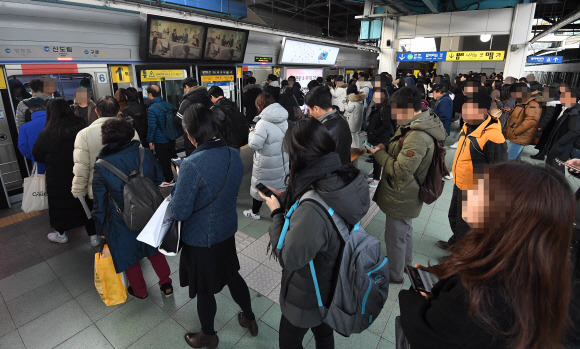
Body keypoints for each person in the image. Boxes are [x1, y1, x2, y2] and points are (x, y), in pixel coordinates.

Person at [400, 162, 573, 349]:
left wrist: (419, 295)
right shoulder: (541, 276)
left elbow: (426, 334)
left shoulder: (477, 298)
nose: (470, 193)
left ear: (509, 215)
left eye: (484, 192)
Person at [261, 117, 370, 349]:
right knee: (323, 333)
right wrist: (286, 198)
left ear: (299, 157)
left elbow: (289, 258)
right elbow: (322, 209)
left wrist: (276, 214)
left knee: (289, 343)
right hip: (334, 279)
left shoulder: (312, 209)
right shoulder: (342, 175)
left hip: (308, 292)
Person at [170, 104, 257, 348]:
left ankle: (208, 335)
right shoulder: (233, 153)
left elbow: (179, 211)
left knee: (205, 288)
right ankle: (249, 319)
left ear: (190, 133)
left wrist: (179, 182)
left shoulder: (191, 165)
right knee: (232, 276)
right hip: (226, 229)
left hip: (200, 238)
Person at [365, 86, 446, 284]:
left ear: (409, 108)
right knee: (404, 232)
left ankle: (395, 274)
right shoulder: (419, 123)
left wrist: (379, 154)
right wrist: (387, 148)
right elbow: (402, 152)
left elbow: (402, 171)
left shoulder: (417, 136)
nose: (394, 117)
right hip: (407, 190)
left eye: (396, 112)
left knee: (395, 237)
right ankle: (404, 265)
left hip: (402, 192)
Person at [92, 117, 173, 300]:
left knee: (129, 256)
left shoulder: (101, 166)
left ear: (105, 138)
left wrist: (101, 229)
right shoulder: (144, 152)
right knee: (153, 249)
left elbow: (100, 202)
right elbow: (159, 178)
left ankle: (140, 291)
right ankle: (166, 284)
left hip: (120, 218)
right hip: (150, 212)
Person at [437, 92, 507, 250]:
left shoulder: (493, 136)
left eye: (470, 110)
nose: (465, 114)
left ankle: (459, 259)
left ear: (483, 111)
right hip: (461, 181)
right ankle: (455, 243)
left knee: (466, 225)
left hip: (476, 189)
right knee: (454, 216)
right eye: (464, 110)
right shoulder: (468, 126)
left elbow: (500, 169)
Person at [72, 96, 139, 246]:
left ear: (96, 111)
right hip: (129, 188)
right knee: (129, 221)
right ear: (118, 112)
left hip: (98, 191)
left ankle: (116, 252)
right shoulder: (131, 131)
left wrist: (78, 190)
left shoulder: (84, 134)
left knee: (109, 226)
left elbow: (81, 166)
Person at [32, 99, 96, 244]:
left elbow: (37, 154)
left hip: (57, 176)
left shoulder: (46, 133)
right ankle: (93, 235)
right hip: (80, 170)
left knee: (60, 205)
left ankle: (61, 234)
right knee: (85, 203)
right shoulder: (80, 125)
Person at [243, 93, 289, 220]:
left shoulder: (263, 123)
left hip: (266, 162)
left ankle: (255, 212)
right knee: (278, 185)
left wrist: (252, 132)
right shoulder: (283, 117)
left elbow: (254, 145)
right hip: (281, 158)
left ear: (260, 105)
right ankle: (282, 213)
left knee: (261, 186)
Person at [304, 86, 351, 165]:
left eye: (309, 110)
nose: (309, 113)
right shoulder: (342, 119)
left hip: (330, 173)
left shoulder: (324, 129)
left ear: (316, 108)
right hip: (342, 168)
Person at [366, 82, 396, 187]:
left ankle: (376, 179)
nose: (374, 97)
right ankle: (375, 174)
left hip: (380, 137)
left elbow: (386, 125)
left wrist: (374, 132)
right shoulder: (377, 106)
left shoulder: (385, 108)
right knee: (375, 157)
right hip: (375, 137)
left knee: (378, 158)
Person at [146, 84, 176, 187]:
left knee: (164, 161)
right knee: (173, 158)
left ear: (150, 94)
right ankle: (180, 176)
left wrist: (149, 140)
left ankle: (169, 180)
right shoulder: (168, 104)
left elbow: (152, 126)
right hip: (171, 137)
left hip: (160, 139)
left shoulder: (152, 109)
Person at [544, 90, 580, 173]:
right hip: (556, 146)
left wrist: (558, 143)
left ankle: (556, 185)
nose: (560, 98)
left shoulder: (575, 113)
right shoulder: (566, 109)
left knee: (556, 171)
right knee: (550, 169)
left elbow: (574, 132)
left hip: (561, 149)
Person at [503, 83, 541, 160]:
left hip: (519, 136)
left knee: (509, 158)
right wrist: (510, 111)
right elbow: (520, 115)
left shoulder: (532, 104)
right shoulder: (523, 102)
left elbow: (531, 121)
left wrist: (515, 132)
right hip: (517, 136)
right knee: (515, 158)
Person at [177, 78, 212, 155]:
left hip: (192, 139)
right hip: (208, 135)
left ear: (186, 87)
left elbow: (179, 120)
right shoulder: (208, 97)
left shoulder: (187, 101)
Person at [18, 98, 47, 174]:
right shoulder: (56, 121)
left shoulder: (24, 127)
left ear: (30, 110)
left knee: (43, 185)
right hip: (61, 163)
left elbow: (23, 146)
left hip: (39, 165)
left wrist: (33, 156)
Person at [343, 84, 365, 148]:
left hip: (352, 121)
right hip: (358, 120)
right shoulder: (360, 99)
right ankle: (356, 148)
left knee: (352, 136)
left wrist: (345, 104)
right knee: (356, 136)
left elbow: (349, 109)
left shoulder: (353, 100)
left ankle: (354, 150)